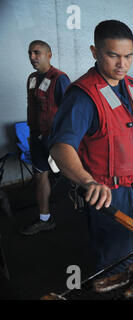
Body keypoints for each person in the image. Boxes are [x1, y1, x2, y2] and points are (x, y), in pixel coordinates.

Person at [48, 20, 133, 272]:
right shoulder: (83, 96)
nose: (122, 64)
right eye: (113, 55)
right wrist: (87, 181)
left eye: (128, 56)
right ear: (95, 52)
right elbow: (61, 147)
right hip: (109, 196)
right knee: (116, 262)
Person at [21, 40, 71, 236]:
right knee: (40, 175)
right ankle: (45, 219)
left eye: (37, 53)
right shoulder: (32, 78)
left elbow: (69, 113)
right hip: (36, 138)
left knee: (72, 176)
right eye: (30, 53)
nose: (32, 57)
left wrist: (63, 141)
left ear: (49, 55)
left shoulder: (60, 78)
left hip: (55, 140)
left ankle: (91, 214)